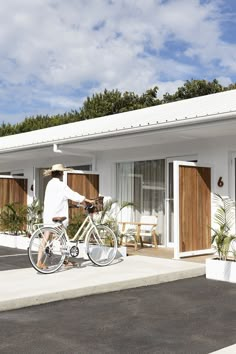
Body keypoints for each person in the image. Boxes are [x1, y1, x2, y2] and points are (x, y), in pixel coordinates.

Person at [36, 163, 94, 269]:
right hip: (58, 215)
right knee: (61, 238)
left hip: (49, 215)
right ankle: (61, 260)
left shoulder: (49, 184)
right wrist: (86, 200)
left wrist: (74, 205)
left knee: (47, 237)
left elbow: (58, 199)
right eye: (62, 172)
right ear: (60, 173)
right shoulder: (61, 185)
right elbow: (73, 194)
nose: (63, 174)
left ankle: (43, 261)